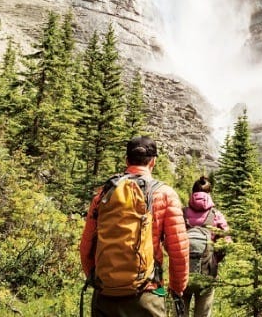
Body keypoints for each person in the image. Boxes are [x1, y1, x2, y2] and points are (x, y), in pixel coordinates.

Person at [80, 135, 189, 317]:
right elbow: (178, 250)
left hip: (105, 295)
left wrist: (98, 278)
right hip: (146, 294)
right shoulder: (165, 194)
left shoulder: (104, 193)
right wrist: (177, 288)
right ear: (153, 162)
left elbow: (86, 246)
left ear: (126, 160)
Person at [182, 176, 231, 317]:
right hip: (207, 271)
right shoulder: (216, 215)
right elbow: (226, 243)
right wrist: (214, 260)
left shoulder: (182, 212)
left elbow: (170, 239)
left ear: (192, 193)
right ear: (209, 193)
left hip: (181, 272)